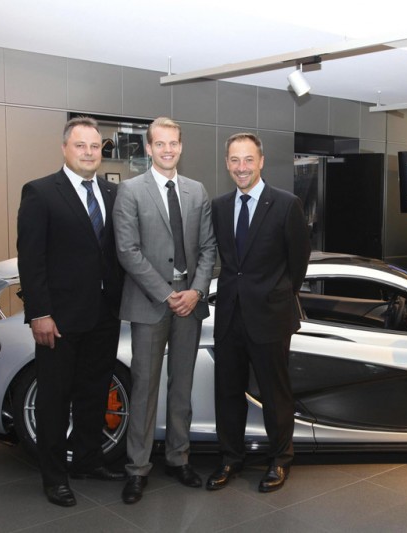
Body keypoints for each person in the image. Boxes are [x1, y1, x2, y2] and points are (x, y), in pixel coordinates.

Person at [16, 116, 126, 508]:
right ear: (65, 148)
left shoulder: (113, 194)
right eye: (81, 145)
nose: (89, 152)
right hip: (59, 320)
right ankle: (54, 477)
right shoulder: (41, 192)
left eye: (95, 146)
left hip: (104, 315)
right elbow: (31, 260)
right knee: (55, 399)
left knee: (94, 393)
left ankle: (87, 461)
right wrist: (39, 313)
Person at [113, 117, 216, 504]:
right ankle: (137, 468)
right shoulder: (130, 191)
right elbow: (128, 251)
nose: (167, 150)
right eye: (160, 144)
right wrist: (164, 293)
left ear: (181, 147)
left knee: (182, 386)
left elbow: (208, 248)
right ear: (148, 148)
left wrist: (196, 291)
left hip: (190, 301)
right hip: (149, 302)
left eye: (173, 143)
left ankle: (178, 458)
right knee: (144, 388)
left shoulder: (196, 190)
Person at [208, 132, 311, 493]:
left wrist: (277, 295)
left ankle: (280, 460)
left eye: (248, 159)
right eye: (235, 160)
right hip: (229, 316)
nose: (242, 167)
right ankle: (230, 458)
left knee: (275, 393)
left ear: (261, 161)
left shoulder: (286, 204)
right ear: (227, 164)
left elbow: (298, 263)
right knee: (227, 393)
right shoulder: (219, 206)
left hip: (270, 316)